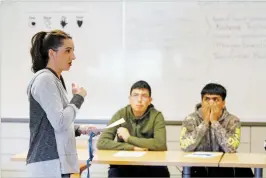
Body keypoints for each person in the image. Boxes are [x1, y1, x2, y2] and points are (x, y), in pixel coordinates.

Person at [26, 30, 96, 178]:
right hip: (48, 165)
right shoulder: (45, 80)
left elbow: (53, 124)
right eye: (68, 51)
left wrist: (79, 129)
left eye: (73, 51)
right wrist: (78, 98)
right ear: (52, 53)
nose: (73, 57)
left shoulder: (54, 79)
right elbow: (60, 122)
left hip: (55, 164)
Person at [97, 80, 170, 178]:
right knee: (115, 173)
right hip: (124, 164)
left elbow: (160, 144)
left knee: (162, 173)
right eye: (135, 95)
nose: (139, 100)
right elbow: (102, 142)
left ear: (150, 100)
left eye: (144, 96)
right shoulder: (121, 115)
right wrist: (132, 148)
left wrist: (129, 138)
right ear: (130, 99)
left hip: (151, 165)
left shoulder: (156, 116)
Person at [180, 83, 253, 177]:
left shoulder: (232, 120)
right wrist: (205, 122)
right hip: (198, 166)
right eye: (207, 99)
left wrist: (214, 122)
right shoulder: (190, 119)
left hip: (224, 168)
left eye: (215, 99)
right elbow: (185, 146)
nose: (211, 103)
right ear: (201, 102)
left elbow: (231, 148)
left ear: (223, 103)